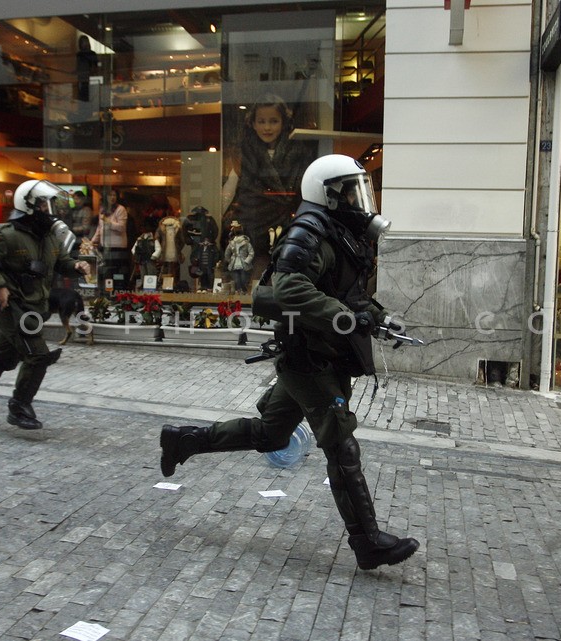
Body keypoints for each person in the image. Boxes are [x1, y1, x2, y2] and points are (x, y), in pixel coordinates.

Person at [160, 155, 419, 571]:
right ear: (328, 194)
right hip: (309, 358)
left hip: (324, 355)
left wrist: (379, 316)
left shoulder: (341, 232)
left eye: (359, 188)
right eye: (350, 190)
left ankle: (184, 440)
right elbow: (291, 289)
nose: (359, 198)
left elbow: (347, 292)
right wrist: (350, 318)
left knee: (270, 434)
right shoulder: (309, 232)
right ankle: (367, 541)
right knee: (340, 444)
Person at [0, 179, 91, 430]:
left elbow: (62, 263)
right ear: (29, 205)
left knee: (0, 358)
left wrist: (76, 267)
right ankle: (19, 406)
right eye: (47, 205)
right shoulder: (8, 234)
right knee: (38, 356)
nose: (53, 211)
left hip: (35, 306)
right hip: (13, 308)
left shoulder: (49, 237)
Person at [221, 93, 317, 278]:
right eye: (261, 121)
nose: (267, 127)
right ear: (253, 123)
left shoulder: (299, 152)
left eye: (273, 121)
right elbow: (233, 190)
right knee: (256, 273)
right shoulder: (244, 153)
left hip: (286, 223)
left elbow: (302, 190)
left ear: (283, 122)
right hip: (253, 223)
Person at [91, 190, 130, 289]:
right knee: (107, 270)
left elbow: (122, 227)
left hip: (118, 246)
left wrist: (108, 222)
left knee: (117, 271)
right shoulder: (102, 209)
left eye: (114, 195)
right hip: (105, 245)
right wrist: (92, 241)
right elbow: (100, 228)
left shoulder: (121, 209)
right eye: (110, 195)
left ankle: (119, 290)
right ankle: (107, 290)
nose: (112, 197)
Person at [223, 220, 254, 294]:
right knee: (236, 279)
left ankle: (244, 290)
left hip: (243, 262)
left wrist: (247, 260)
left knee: (244, 279)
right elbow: (227, 253)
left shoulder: (246, 243)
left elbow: (251, 253)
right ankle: (238, 290)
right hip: (234, 263)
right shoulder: (232, 243)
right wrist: (230, 260)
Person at [75, 35, 99, 103]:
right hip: (81, 80)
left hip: (89, 80)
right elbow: (78, 67)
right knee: (82, 100)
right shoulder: (79, 54)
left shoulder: (92, 54)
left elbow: (95, 68)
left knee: (89, 99)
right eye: (82, 42)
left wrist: (91, 72)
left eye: (85, 42)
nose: (84, 44)